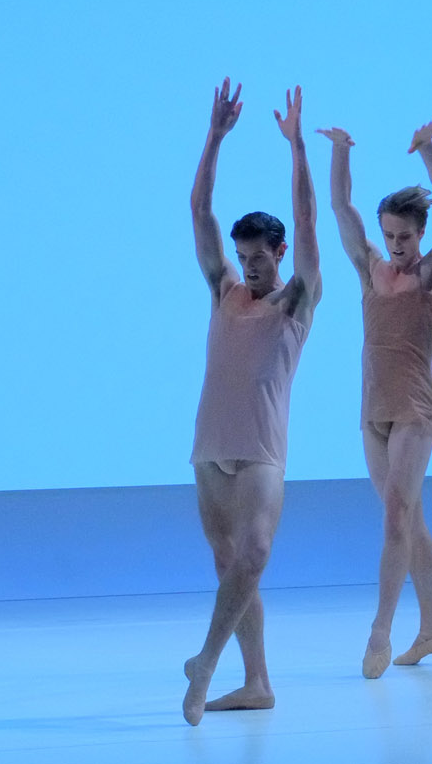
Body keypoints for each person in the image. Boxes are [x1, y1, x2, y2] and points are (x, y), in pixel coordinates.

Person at [182, 80, 322, 723]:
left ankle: (205, 662)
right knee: (228, 566)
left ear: (280, 254)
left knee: (255, 555)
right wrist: (214, 137)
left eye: (259, 258)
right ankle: (257, 681)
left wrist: (296, 148)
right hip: (211, 446)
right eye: (243, 258)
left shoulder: (296, 301)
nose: (249, 267)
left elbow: (309, 218)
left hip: (262, 449)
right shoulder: (224, 292)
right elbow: (199, 210)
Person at [318, 118, 432, 678]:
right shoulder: (370, 271)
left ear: (419, 233)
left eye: (406, 236)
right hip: (374, 410)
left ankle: (380, 631)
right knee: (406, 517)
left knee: (397, 515)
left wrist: (428, 149)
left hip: (418, 410)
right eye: (391, 236)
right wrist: (340, 153)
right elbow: (340, 208)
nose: (398, 246)